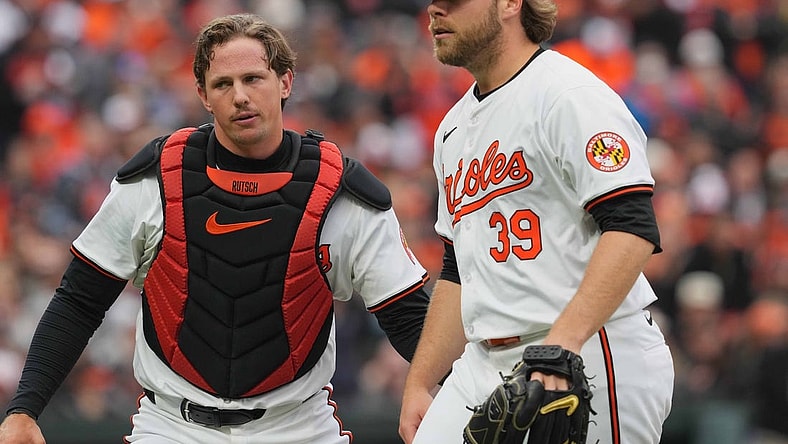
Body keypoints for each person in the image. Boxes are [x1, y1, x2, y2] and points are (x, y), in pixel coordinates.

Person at [0, 13, 430, 444]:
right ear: (203, 95)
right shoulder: (156, 180)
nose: (240, 96)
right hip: (171, 426)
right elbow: (80, 300)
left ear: (286, 82)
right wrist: (24, 408)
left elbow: (407, 313)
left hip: (297, 427)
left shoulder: (339, 191)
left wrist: (443, 393)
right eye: (223, 84)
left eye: (253, 78)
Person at [399, 1, 674, 443]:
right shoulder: (450, 128)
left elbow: (632, 227)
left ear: (510, 3)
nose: (436, 10)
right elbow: (459, 268)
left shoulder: (568, 95)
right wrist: (420, 380)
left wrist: (562, 344)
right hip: (483, 361)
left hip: (590, 351)